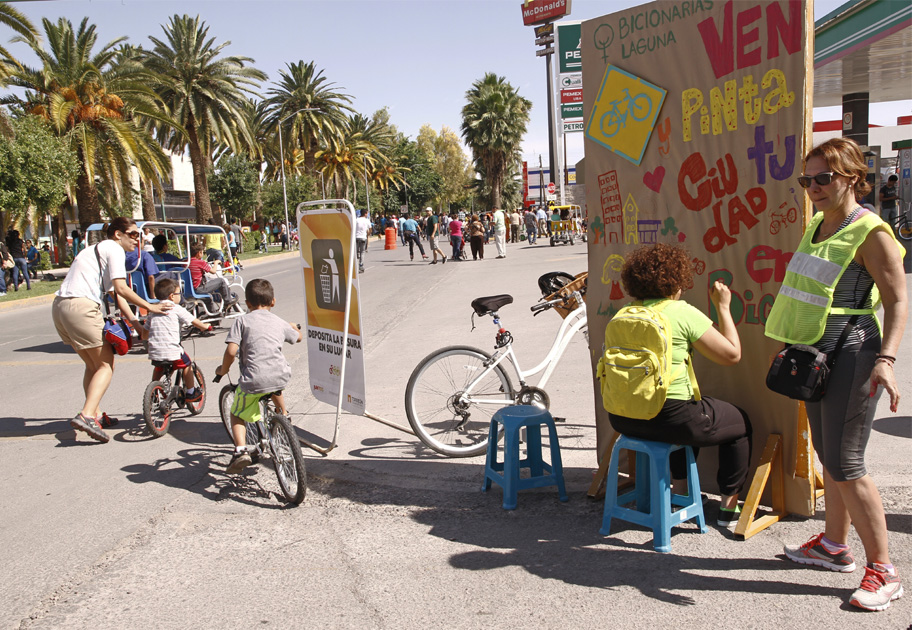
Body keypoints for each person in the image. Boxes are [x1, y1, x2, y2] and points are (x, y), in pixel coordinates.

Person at [766, 137, 907, 612]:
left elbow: (897, 302)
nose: (814, 188)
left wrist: (886, 361)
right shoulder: (818, 226)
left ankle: (885, 571)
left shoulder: (872, 232)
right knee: (829, 453)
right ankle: (832, 545)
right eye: (807, 180)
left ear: (852, 177)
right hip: (816, 353)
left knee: (847, 462)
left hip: (853, 352)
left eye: (823, 178)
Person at [606, 243, 752, 530]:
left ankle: (681, 492)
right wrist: (723, 307)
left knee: (691, 416)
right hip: (671, 419)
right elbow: (732, 355)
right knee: (739, 422)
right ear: (676, 281)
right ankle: (728, 507)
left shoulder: (624, 313)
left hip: (624, 419)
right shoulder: (680, 311)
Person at [52, 217, 172, 442]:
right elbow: (121, 288)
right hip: (81, 306)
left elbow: (115, 294)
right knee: (106, 365)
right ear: (118, 234)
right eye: (134, 234)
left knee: (93, 365)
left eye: (139, 235)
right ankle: (87, 415)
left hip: (60, 307)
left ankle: (95, 412)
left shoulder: (96, 251)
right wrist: (150, 307)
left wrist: (136, 325)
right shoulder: (113, 249)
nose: (138, 239)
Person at [215, 278, 303, 473]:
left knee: (236, 413)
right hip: (280, 375)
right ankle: (284, 415)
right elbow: (297, 337)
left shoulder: (242, 321)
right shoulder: (278, 321)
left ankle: (240, 451)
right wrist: (293, 327)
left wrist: (223, 370)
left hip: (254, 381)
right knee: (274, 385)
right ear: (273, 301)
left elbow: (231, 351)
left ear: (247, 303)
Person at [143, 278, 211, 401]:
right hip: (171, 349)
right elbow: (194, 321)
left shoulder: (153, 310)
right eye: (179, 293)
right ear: (171, 296)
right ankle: (191, 392)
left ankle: (154, 391)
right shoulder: (175, 307)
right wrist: (205, 327)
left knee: (159, 367)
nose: (180, 296)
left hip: (155, 351)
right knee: (187, 364)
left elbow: (144, 333)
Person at [189, 243, 236, 309]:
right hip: (200, 288)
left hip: (190, 289)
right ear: (199, 253)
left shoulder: (186, 262)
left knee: (208, 296)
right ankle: (228, 301)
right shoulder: (200, 262)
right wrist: (216, 263)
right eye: (202, 252)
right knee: (221, 281)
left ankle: (213, 312)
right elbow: (213, 271)